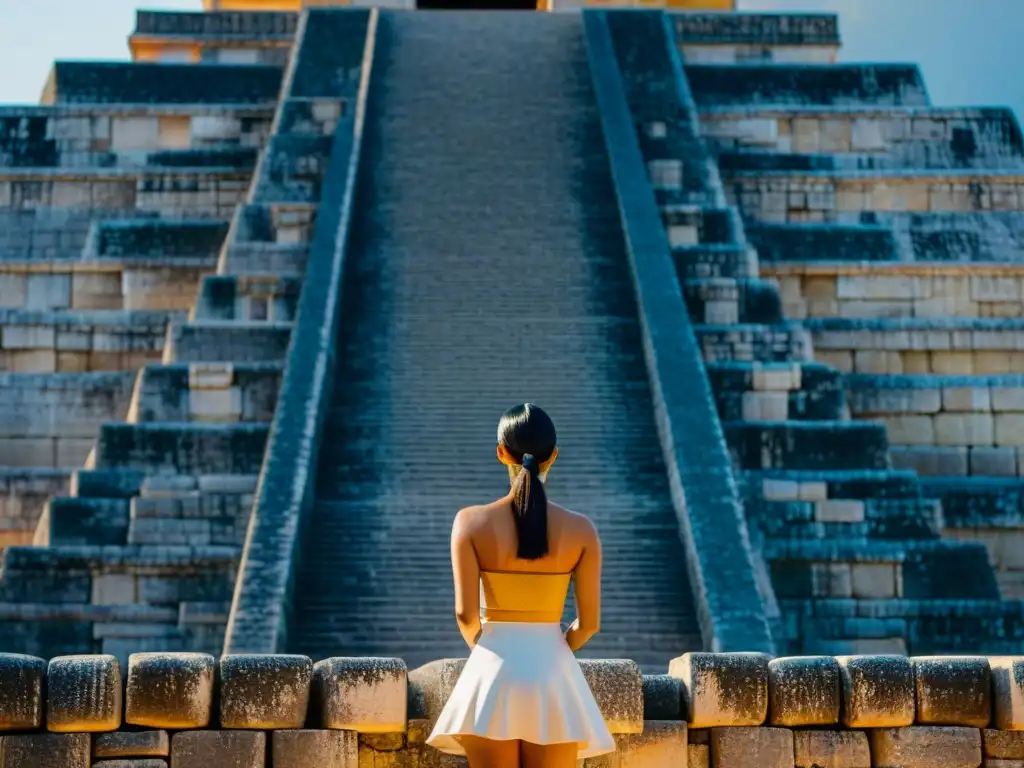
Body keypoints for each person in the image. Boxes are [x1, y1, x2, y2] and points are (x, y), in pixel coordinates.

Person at [427, 403, 615, 768]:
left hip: (492, 671)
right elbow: (589, 623)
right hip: (553, 674)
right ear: (553, 457)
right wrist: (553, 645)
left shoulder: (469, 523)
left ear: (501, 452)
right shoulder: (582, 531)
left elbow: (465, 614)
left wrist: (494, 648)